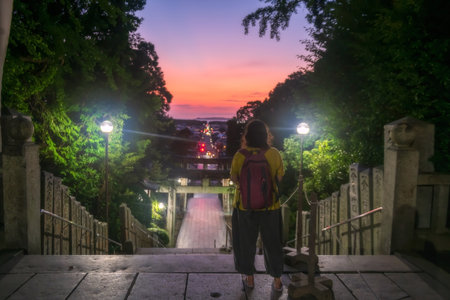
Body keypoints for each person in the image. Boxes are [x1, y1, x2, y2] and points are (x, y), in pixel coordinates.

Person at [230, 119, 284, 292]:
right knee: (272, 243)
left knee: (245, 243)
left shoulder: (240, 155)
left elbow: (234, 178)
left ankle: (250, 278)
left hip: (244, 207)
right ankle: (276, 280)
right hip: (271, 207)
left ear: (247, 136)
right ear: (265, 136)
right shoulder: (274, 153)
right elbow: (280, 177)